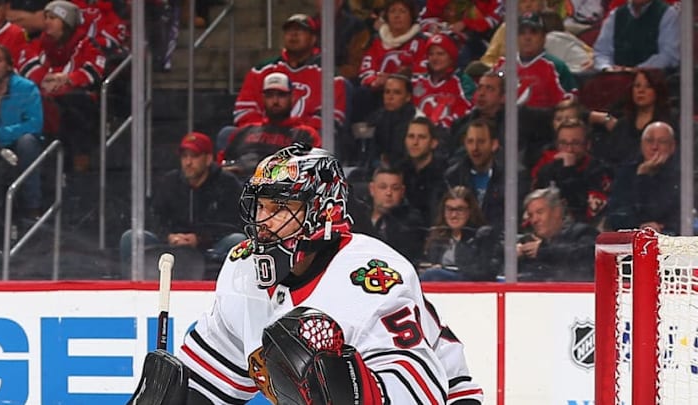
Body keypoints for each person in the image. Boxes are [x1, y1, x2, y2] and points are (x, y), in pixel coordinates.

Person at [152, 143, 483, 403]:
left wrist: (348, 390)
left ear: (323, 213)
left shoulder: (372, 275)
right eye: (261, 206)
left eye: (281, 208)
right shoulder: (243, 270)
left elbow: (419, 389)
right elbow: (208, 381)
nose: (264, 221)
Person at [119, 132, 244, 280]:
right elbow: (153, 217)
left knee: (237, 241)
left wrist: (200, 238)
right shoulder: (169, 181)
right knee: (131, 237)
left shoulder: (227, 183)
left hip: (210, 248)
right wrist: (168, 236)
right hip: (171, 245)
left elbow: (233, 223)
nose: (188, 162)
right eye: (184, 156)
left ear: (209, 159)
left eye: (194, 156)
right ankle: (131, 290)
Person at [18, 0, 106, 172]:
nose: (47, 22)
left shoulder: (86, 43)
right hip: (44, 96)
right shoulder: (38, 42)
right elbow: (27, 66)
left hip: (76, 99)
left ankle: (79, 157)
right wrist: (44, 80)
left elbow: (94, 71)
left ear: (66, 23)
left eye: (53, 18)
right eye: (46, 17)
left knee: (73, 102)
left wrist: (68, 79)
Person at [231, 13, 347, 132]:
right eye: (289, 30)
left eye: (300, 30)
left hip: (307, 139)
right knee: (227, 133)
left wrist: (295, 130)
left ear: (313, 39)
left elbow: (332, 117)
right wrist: (267, 130)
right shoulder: (262, 70)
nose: (293, 34)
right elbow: (243, 111)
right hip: (263, 136)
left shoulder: (328, 73)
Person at [0, 44, 43, 218]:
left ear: (9, 65)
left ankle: (32, 208)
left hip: (17, 142)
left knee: (28, 141)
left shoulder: (27, 88)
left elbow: (35, 124)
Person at [217, 72, 322, 180]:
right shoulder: (245, 131)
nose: (275, 101)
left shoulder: (305, 134)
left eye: (281, 95)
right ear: (263, 98)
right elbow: (221, 164)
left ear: (292, 98)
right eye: (269, 96)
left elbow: (311, 171)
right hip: (240, 185)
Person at [531, 118, 612, 225]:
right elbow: (533, 209)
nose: (569, 150)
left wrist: (569, 171)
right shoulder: (546, 172)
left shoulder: (600, 171)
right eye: (563, 143)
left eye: (576, 143)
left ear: (587, 145)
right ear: (557, 145)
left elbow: (588, 213)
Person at [605, 121, 679, 235]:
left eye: (662, 142)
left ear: (672, 146)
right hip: (632, 238)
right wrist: (639, 226)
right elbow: (616, 214)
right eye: (649, 141)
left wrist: (644, 178)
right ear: (641, 144)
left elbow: (659, 212)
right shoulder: (626, 172)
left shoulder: (681, 176)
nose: (654, 147)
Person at [493, 11, 577, 109]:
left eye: (533, 32)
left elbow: (572, 100)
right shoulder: (503, 64)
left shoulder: (556, 66)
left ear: (543, 37)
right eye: (522, 33)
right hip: (503, 120)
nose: (527, 37)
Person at [419, 186, 501, 282]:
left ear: (470, 211)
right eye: (449, 209)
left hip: (468, 287)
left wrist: (443, 270)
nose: (454, 215)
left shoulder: (483, 236)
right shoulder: (437, 237)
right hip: (438, 286)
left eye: (460, 209)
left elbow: (487, 272)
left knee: (433, 274)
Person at [517, 186, 599, 281]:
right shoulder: (533, 244)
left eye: (540, 212)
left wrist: (543, 252)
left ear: (557, 211)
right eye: (531, 215)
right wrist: (515, 258)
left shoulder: (581, 232)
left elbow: (587, 255)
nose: (534, 220)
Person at [351, 165, 427, 264]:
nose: (389, 193)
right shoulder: (357, 217)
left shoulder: (411, 222)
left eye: (395, 188)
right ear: (372, 189)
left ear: (402, 191)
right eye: (383, 187)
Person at [445, 118, 506, 230]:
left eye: (481, 142)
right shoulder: (453, 176)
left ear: (494, 144)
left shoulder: (510, 177)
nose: (475, 148)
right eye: (470, 142)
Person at [593, 0, 679, 72]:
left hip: (652, 83)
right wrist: (607, 68)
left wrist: (635, 70)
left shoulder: (668, 14)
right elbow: (602, 52)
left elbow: (668, 56)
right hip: (616, 79)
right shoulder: (616, 15)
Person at [412, 33, 473, 131]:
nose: (435, 58)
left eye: (440, 54)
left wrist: (446, 124)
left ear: (451, 57)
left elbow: (469, 112)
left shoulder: (462, 81)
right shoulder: (416, 81)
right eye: (431, 54)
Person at [398, 116, 446, 226]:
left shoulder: (444, 173)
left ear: (433, 143)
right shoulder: (399, 170)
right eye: (411, 136)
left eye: (421, 137)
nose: (415, 142)